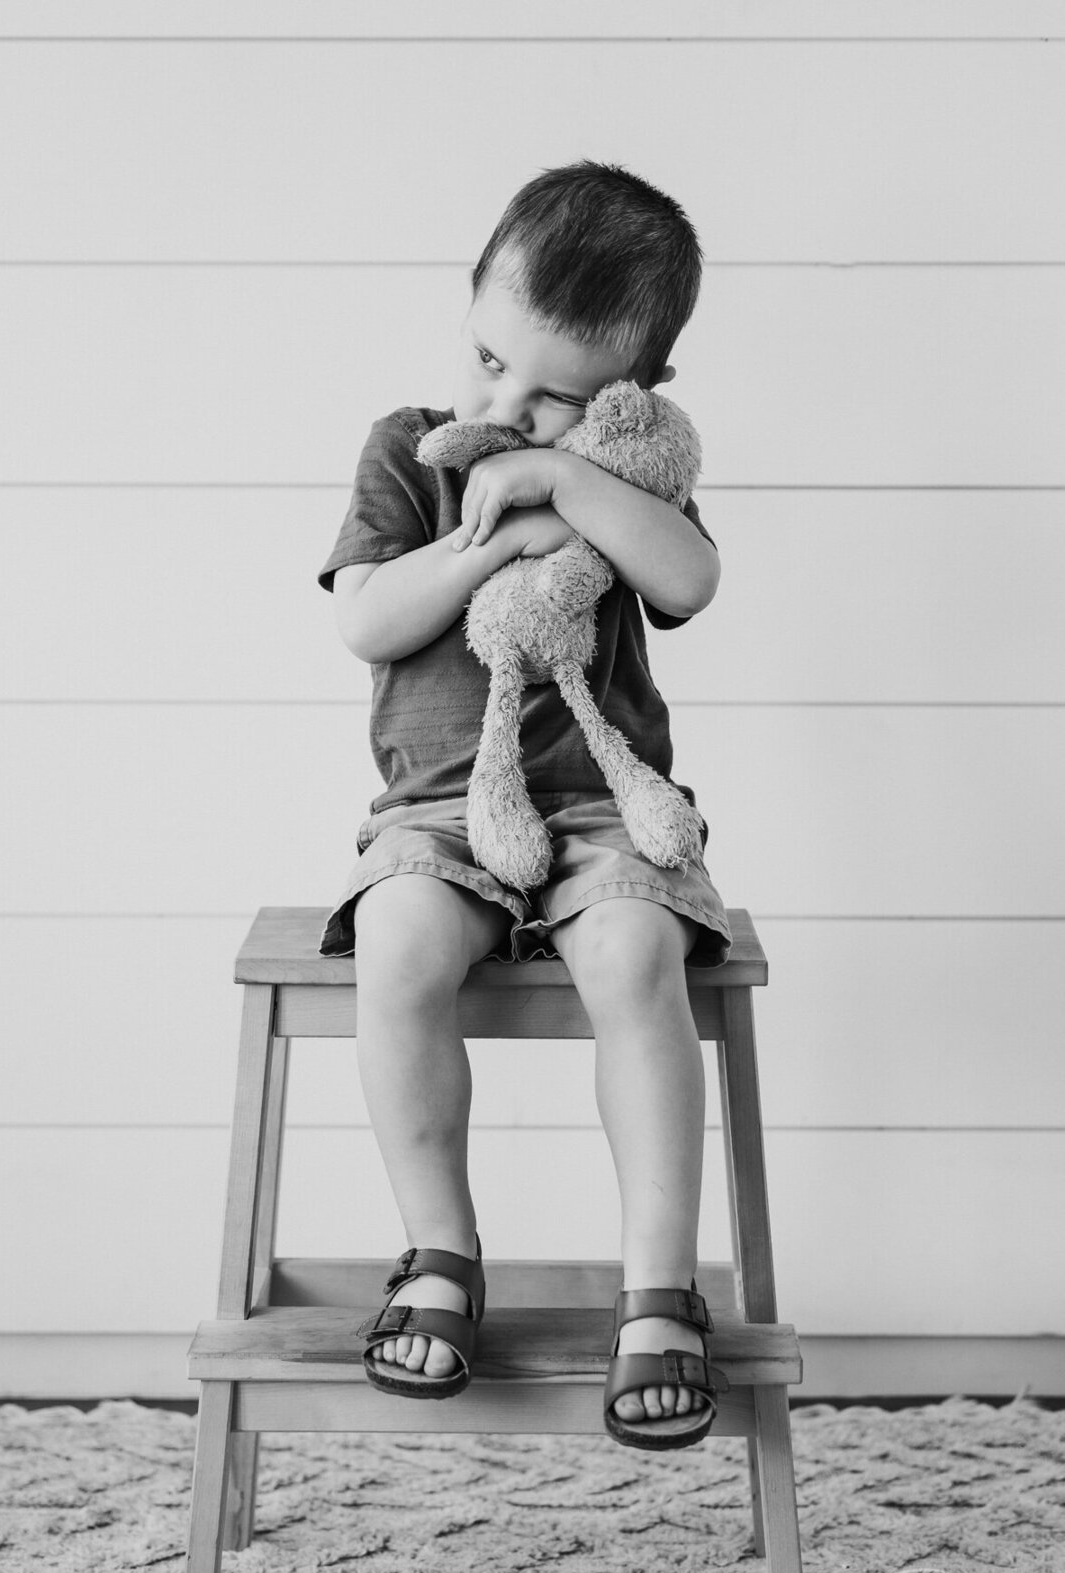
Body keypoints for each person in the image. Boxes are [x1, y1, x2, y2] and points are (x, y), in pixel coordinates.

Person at [317, 161, 733, 1451]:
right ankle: (440, 1251)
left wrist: (570, 479)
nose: (506, 405)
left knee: (636, 956)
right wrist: (496, 538)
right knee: (396, 948)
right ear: (469, 310)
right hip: (439, 812)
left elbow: (691, 580)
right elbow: (368, 620)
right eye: (492, 360)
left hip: (606, 812)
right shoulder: (409, 450)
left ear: (633, 391)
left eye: (554, 395)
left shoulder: (624, 471)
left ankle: (657, 1287)